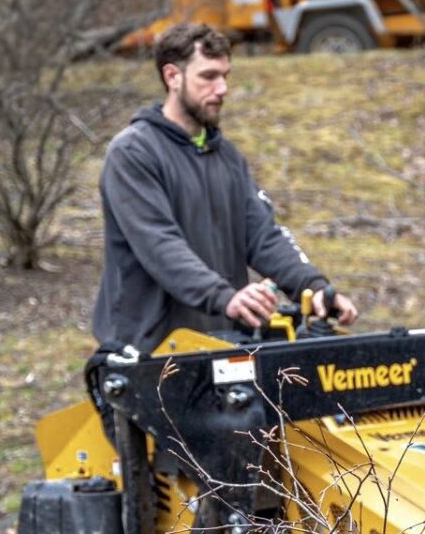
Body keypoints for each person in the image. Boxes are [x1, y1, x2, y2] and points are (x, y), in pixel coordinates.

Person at [91, 22, 357, 352]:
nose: (222, 88)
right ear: (172, 77)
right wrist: (224, 298)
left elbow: (263, 236)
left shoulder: (226, 156)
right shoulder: (133, 153)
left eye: (225, 76)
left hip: (217, 344)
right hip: (149, 350)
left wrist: (313, 286)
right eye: (208, 77)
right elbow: (160, 245)